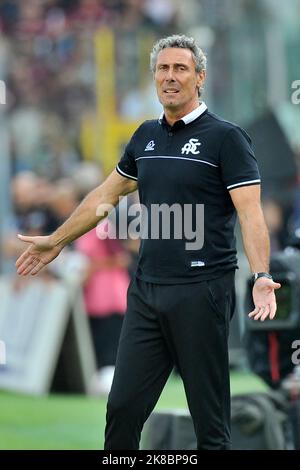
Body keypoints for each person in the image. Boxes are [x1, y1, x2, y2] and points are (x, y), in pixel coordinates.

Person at [16, 34, 281, 450]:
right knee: (121, 409)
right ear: (154, 77)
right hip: (145, 291)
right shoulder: (144, 136)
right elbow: (105, 195)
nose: (170, 77)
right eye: (163, 69)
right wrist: (57, 240)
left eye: (180, 69)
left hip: (202, 291)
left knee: (210, 426)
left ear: (200, 79)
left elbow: (251, 213)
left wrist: (262, 275)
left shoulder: (227, 139)